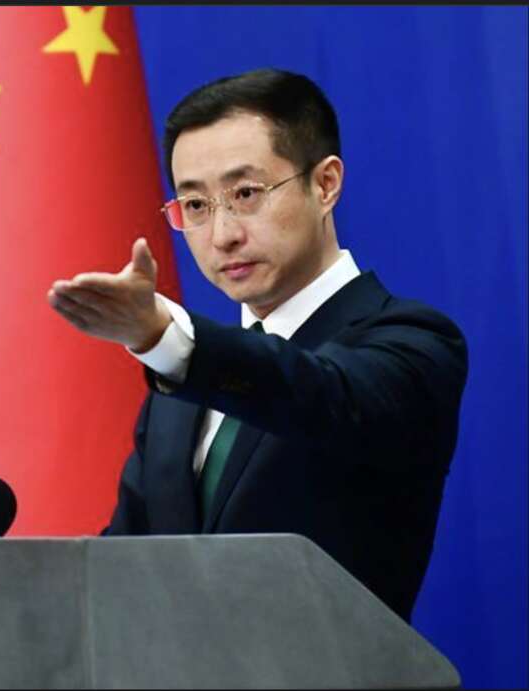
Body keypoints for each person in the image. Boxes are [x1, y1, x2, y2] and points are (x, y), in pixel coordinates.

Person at [47, 68, 467, 622]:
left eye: (245, 194)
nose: (222, 235)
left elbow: (321, 395)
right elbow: (124, 568)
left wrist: (166, 340)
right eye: (196, 206)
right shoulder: (178, 389)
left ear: (325, 184)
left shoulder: (414, 342)